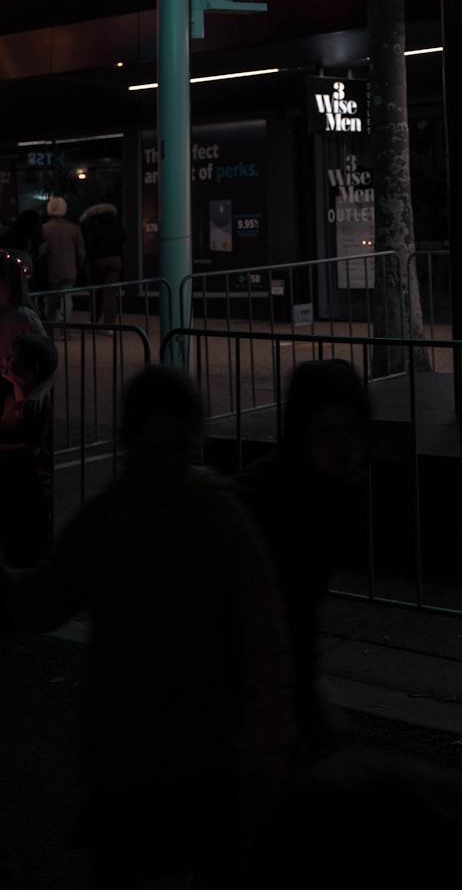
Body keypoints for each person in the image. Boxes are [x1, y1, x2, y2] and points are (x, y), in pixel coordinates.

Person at [0, 363, 299, 888]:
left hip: (141, 753)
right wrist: (271, 750)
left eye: (175, 451)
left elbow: (47, 595)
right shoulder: (214, 517)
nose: (164, 467)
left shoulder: (118, 518)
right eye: (155, 451)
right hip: (179, 753)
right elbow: (264, 636)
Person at [236, 356, 370, 756]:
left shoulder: (319, 488)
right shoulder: (288, 503)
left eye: (352, 429)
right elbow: (284, 612)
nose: (345, 445)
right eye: (328, 433)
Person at [0, 332, 58, 565]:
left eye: (13, 357)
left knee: (26, 557)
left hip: (29, 496)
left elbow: (29, 451)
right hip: (11, 493)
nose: (5, 360)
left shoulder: (35, 407)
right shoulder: (9, 395)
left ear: (31, 370)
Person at [80, 200, 126, 326]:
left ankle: (94, 319)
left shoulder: (90, 223)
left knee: (95, 290)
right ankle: (109, 324)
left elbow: (88, 243)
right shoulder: (116, 222)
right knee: (110, 291)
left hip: (97, 259)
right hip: (116, 259)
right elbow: (123, 238)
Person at [40, 196, 84, 324]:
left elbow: (41, 251)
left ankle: (50, 324)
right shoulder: (73, 228)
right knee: (66, 297)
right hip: (69, 268)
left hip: (51, 268)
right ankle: (65, 327)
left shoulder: (44, 228)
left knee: (51, 298)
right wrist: (80, 264)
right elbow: (81, 250)